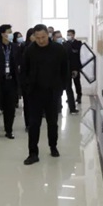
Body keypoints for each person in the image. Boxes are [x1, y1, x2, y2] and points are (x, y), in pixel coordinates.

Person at [22, 24, 73, 166]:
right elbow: (24, 71)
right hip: (34, 93)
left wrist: (62, 87)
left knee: (52, 122)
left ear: (48, 35)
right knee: (34, 124)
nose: (40, 40)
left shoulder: (58, 49)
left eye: (43, 37)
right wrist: (26, 88)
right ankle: (33, 153)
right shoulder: (30, 50)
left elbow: (65, 69)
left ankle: (53, 146)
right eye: (37, 38)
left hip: (53, 92)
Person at [0, 24, 19, 139]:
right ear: (2, 34)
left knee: (10, 107)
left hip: (11, 81)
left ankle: (9, 130)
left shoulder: (15, 47)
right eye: (8, 32)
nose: (11, 34)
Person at [20, 28, 36, 131]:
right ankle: (28, 124)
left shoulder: (39, 47)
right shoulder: (24, 47)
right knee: (27, 104)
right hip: (27, 81)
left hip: (37, 81)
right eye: (33, 35)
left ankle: (34, 123)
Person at [66, 29, 84, 104]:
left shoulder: (78, 43)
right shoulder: (66, 43)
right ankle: (69, 97)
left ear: (73, 35)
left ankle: (79, 96)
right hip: (68, 67)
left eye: (70, 34)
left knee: (77, 83)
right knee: (68, 84)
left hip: (75, 66)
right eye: (67, 34)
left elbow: (77, 52)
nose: (68, 36)